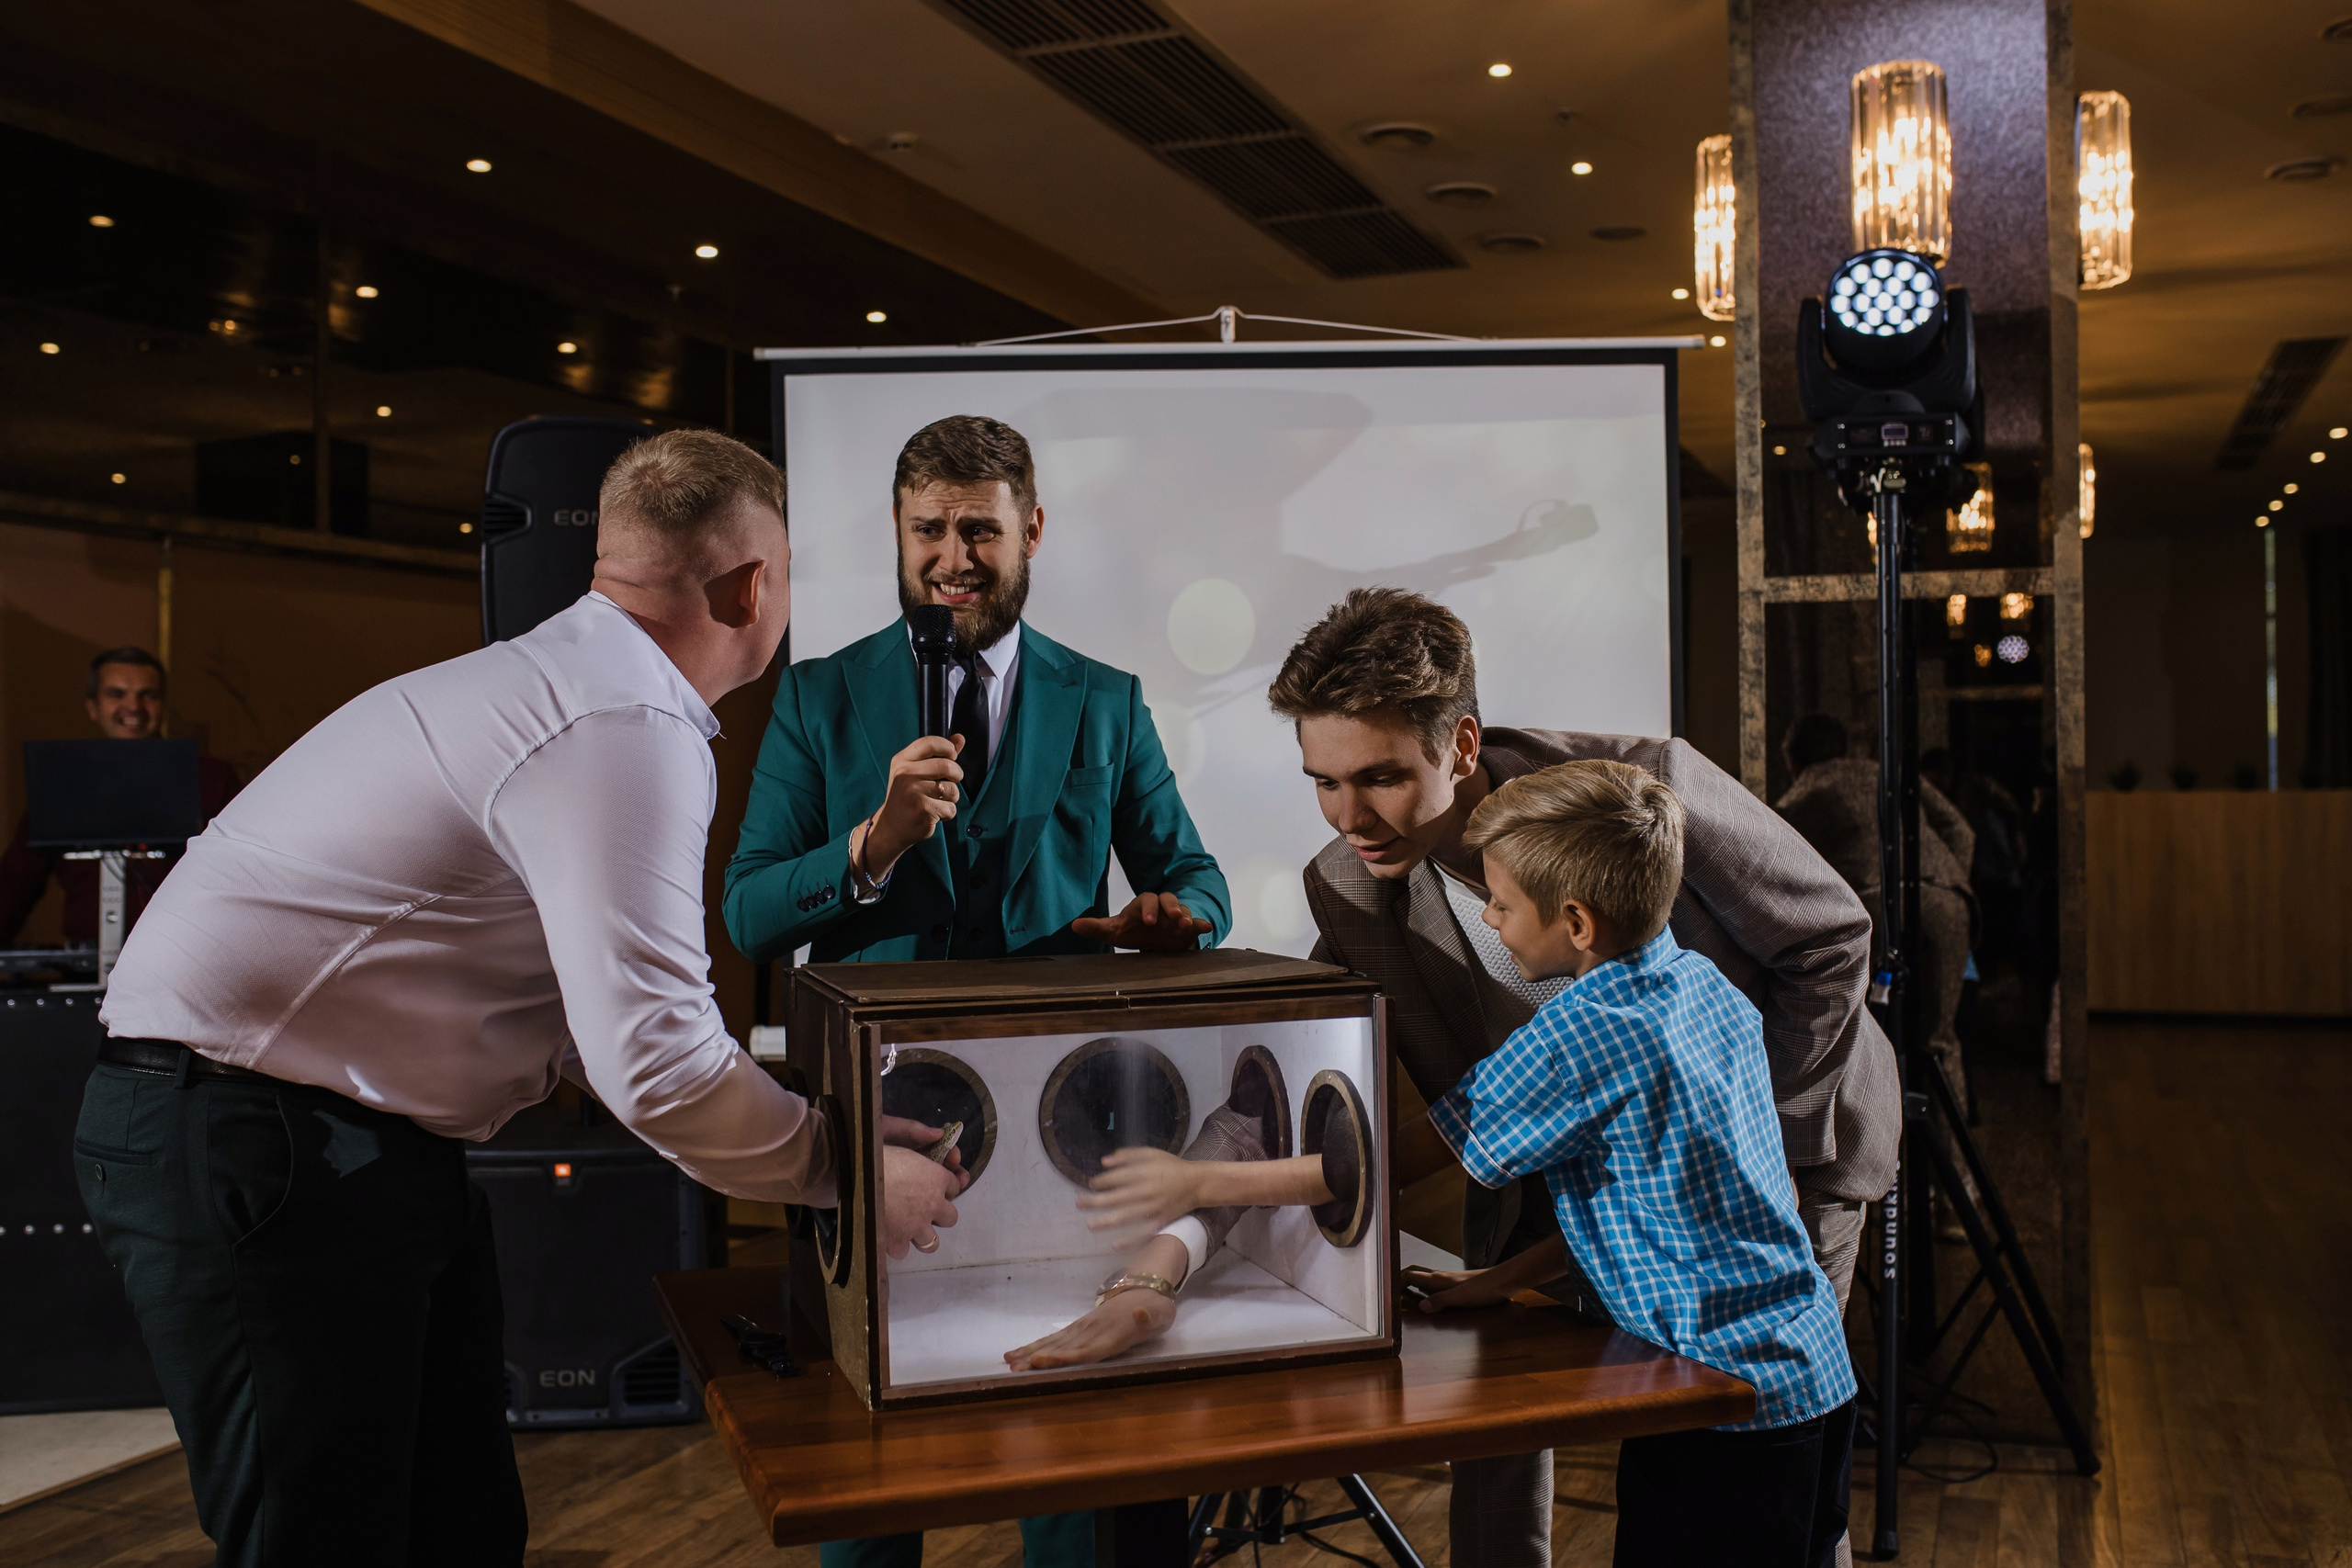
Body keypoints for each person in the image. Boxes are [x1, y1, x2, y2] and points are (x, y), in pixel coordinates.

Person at [82, 430, 965, 1568]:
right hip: (257, 1144)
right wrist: (837, 1170)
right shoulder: (622, 723)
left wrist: (821, 1118)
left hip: (320, 1144)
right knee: (330, 1541)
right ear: (753, 586)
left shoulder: (565, 683)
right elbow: (654, 1062)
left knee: (459, 1528)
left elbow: (604, 1030)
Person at [1265, 588, 1897, 1568]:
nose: (1351, 817)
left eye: (1381, 777)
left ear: (1462, 746)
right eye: (1323, 781)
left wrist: (1746, 1148)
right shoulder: (1348, 882)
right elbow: (1387, 1067)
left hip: (1782, 1150)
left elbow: (1829, 943)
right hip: (1574, 1173)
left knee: (1758, 1462)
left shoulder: (1645, 785)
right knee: (1489, 1404)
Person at [722, 414, 1230, 1568]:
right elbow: (749, 912)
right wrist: (870, 845)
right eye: (929, 530)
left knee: (1073, 1446)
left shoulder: (1104, 699)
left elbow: (1195, 880)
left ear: (1032, 530)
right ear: (898, 535)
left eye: (980, 530)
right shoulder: (818, 696)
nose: (953, 555)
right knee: (869, 1463)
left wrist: (1170, 919)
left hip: (1064, 1113)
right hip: (870, 1121)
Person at [1405, 760, 1857, 1567]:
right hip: (1815, 1374)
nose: (1492, 918)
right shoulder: (1705, 984)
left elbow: (1428, 1151)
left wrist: (1217, 1180)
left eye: (1500, 903)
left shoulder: (1584, 1026)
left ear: (1577, 922)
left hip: (1720, 1409)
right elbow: (1659, 1210)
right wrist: (1495, 1283)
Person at [1775, 714, 1976, 1155]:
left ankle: (1874, 1169)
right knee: (1942, 1041)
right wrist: (1945, 879)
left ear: (1792, 760)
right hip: (1946, 901)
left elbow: (1776, 860)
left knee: (1864, 1042)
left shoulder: (1804, 790)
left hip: (1874, 907)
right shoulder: (1886, 773)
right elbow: (1961, 829)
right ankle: (1959, 1191)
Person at [0, 647, 240, 945]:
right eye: (116, 694)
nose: (133, 707)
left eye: (148, 695)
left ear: (162, 705)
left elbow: (242, 875)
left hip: (187, 955)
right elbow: (15, 884)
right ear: (92, 706)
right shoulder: (65, 784)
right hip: (87, 965)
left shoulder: (212, 778)